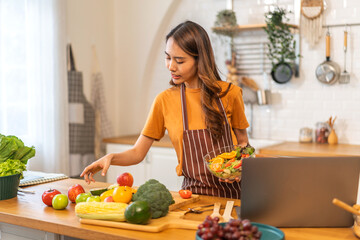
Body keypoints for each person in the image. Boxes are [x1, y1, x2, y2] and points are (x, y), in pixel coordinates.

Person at [81, 20, 249, 199]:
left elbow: (243, 144)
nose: (171, 66)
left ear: (200, 60)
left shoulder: (230, 94)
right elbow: (138, 153)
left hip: (235, 196)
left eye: (180, 60)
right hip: (193, 198)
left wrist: (239, 169)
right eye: (168, 57)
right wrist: (111, 158)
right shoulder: (164, 100)